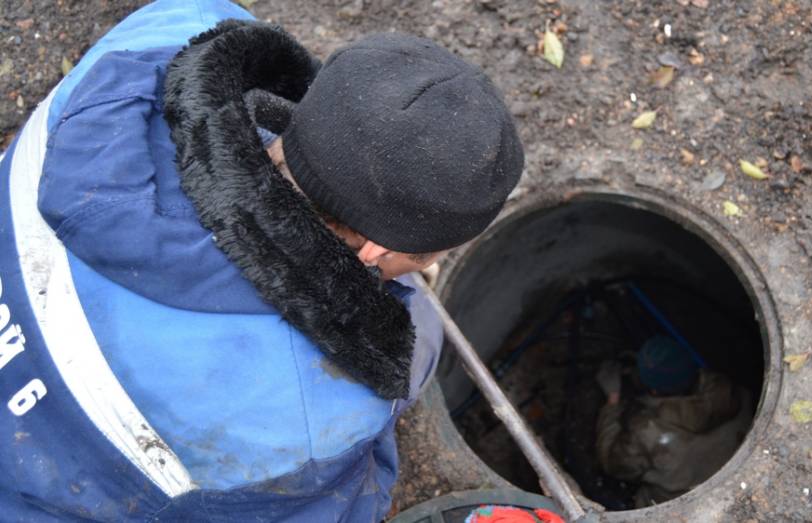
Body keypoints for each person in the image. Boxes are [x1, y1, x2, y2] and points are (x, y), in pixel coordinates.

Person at [0, 0, 523, 520]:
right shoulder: (309, 420)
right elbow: (352, 503)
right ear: (376, 251)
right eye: (428, 255)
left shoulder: (176, 25)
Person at [595, 336, 753, 508]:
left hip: (689, 506)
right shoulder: (732, 392)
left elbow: (613, 464)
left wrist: (612, 400)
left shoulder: (645, 432)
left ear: (653, 390)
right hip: (736, 483)